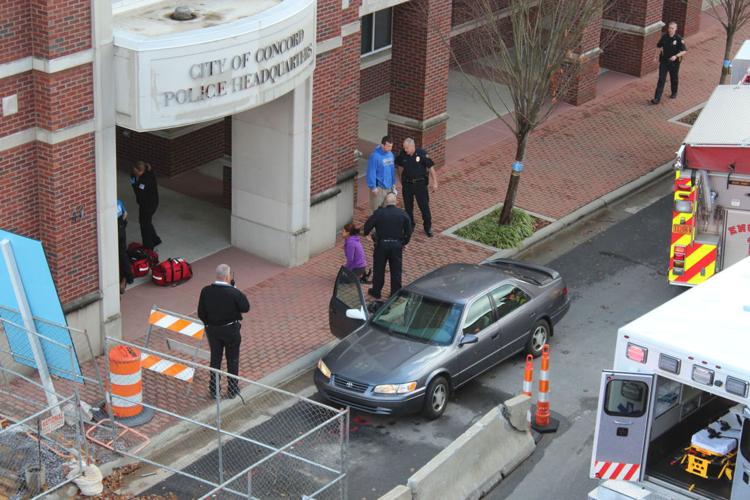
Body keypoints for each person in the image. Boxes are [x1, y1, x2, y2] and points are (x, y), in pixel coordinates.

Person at [197, 264, 250, 399]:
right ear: (227, 277)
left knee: (215, 359)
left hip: (213, 331)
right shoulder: (233, 292)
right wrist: (235, 288)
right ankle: (232, 389)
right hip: (230, 330)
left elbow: (201, 313)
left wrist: (209, 325)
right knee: (232, 360)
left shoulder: (206, 291)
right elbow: (245, 307)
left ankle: (214, 390)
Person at [363, 193, 412, 298]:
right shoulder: (402, 214)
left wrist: (369, 235)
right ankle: (395, 293)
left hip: (381, 245)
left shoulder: (379, 213)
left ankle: (376, 291)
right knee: (396, 269)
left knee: (379, 268)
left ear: (385, 202)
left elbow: (367, 227)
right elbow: (409, 231)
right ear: (396, 202)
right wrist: (403, 243)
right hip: (396, 245)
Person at [395, 138, 439, 237]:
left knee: (424, 206)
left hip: (420, 185)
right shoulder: (403, 154)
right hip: (407, 185)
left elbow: (431, 167)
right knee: (408, 207)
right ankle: (410, 226)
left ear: (412, 146)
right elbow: (399, 165)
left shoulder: (422, 154)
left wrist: (435, 182)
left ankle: (428, 227)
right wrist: (401, 179)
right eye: (404, 147)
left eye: (407, 148)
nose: (405, 149)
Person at [651, 21, 687, 105]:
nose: (670, 30)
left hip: (674, 63)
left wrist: (676, 56)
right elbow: (658, 46)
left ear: (675, 29)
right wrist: (655, 56)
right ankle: (657, 98)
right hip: (664, 61)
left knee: (673, 78)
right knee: (661, 79)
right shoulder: (664, 37)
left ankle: (674, 92)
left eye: (672, 28)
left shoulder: (678, 39)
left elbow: (684, 51)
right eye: (669, 28)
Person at [130, 160, 161, 249]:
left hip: (147, 205)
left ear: (139, 170)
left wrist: (134, 184)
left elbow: (139, 194)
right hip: (152, 203)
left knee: (144, 224)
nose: (133, 172)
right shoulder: (149, 174)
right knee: (147, 222)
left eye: (134, 171)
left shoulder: (144, 181)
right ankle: (155, 239)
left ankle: (148, 245)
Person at [366, 135, 396, 213]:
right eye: (388, 146)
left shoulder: (390, 154)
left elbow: (392, 170)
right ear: (382, 145)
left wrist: (393, 183)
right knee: (376, 211)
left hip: (389, 187)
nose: (390, 148)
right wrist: (373, 187)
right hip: (378, 188)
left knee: (387, 211)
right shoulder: (375, 156)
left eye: (391, 146)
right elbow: (371, 172)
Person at [117, 200, 133, 295]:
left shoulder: (110, 206)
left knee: (120, 255)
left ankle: (126, 277)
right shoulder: (118, 202)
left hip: (116, 231)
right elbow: (125, 214)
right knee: (123, 254)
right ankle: (129, 277)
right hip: (121, 228)